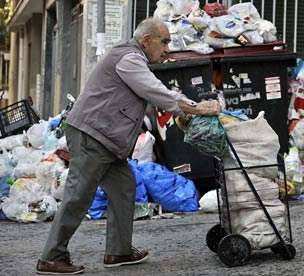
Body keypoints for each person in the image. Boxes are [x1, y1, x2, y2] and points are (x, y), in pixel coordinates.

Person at [36, 17, 216, 275]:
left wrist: (183, 109)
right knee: (79, 195)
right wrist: (196, 108)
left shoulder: (134, 59)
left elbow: (150, 96)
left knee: (124, 188)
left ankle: (118, 251)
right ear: (146, 41)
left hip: (106, 140)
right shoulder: (129, 59)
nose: (167, 49)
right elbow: (156, 92)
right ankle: (51, 257)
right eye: (164, 42)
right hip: (93, 136)